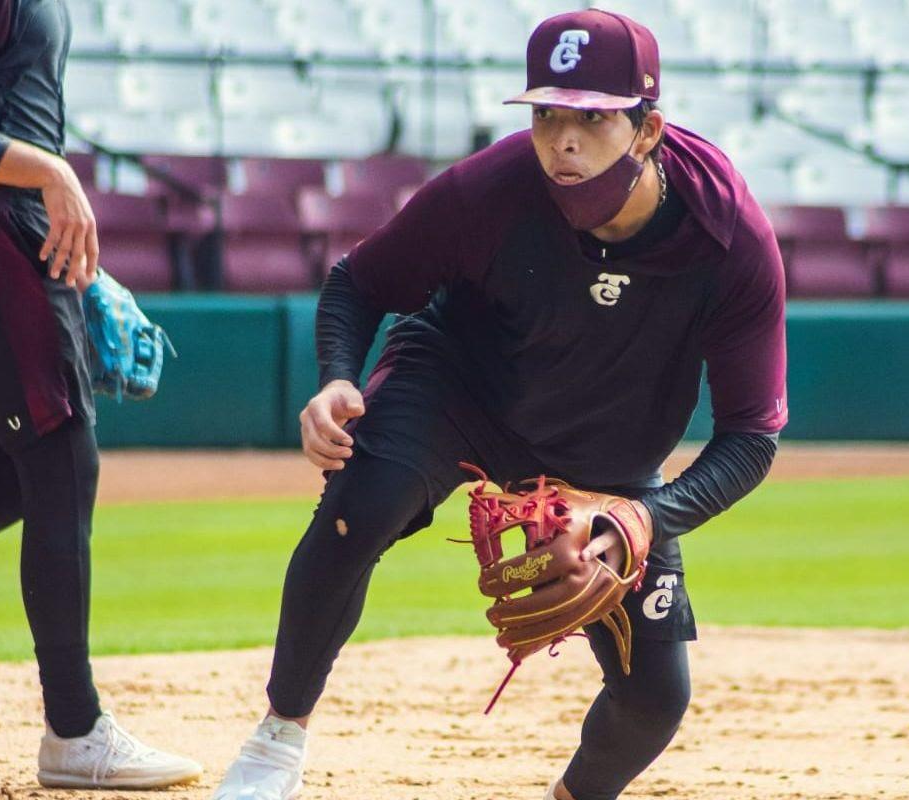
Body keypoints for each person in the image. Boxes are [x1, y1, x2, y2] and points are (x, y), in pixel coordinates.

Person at [212, 9, 787, 800]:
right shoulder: (492, 188)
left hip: (608, 454)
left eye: (592, 118)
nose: (562, 141)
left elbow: (751, 438)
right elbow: (360, 282)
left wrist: (644, 517)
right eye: (547, 114)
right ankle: (277, 740)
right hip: (462, 388)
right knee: (358, 505)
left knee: (656, 698)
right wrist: (338, 375)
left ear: (648, 129)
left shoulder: (729, 238)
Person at [0, 0, 201, 788]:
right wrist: (48, 172)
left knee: (11, 469)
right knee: (61, 457)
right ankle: (75, 731)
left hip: (11, 229)